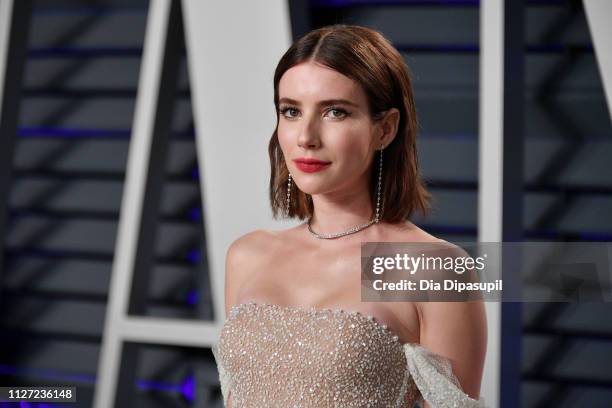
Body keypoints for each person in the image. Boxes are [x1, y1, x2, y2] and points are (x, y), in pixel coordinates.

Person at [211, 24, 488, 408]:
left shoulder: (433, 269)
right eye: (291, 111)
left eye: (335, 112)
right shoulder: (247, 255)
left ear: (385, 129)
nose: (305, 136)